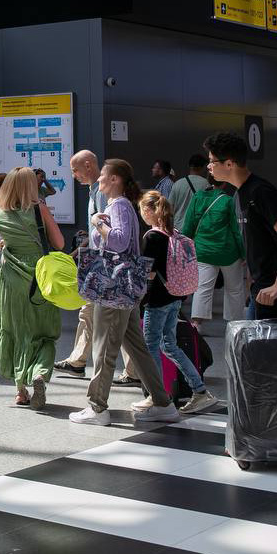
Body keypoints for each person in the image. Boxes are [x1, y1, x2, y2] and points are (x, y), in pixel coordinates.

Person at [69, 159, 181, 425]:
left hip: (112, 287)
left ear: (115, 179)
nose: (99, 179)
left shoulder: (118, 205)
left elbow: (118, 242)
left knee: (104, 347)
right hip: (124, 287)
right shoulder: (124, 205)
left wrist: (97, 223)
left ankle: (97, 408)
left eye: (103, 175)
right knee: (137, 347)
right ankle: (163, 403)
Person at [0, 168, 63, 409]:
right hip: (40, 280)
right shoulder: (40, 209)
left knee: (15, 332)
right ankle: (40, 373)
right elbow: (60, 243)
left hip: (11, 282)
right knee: (44, 333)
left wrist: (0, 244)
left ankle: (21, 392)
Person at [53, 150, 138, 383]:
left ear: (89, 165)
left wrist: (95, 232)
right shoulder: (95, 192)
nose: (74, 175)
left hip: (105, 267)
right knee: (94, 315)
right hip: (102, 265)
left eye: (75, 170)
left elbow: (111, 234)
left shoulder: (104, 195)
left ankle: (125, 371)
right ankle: (79, 361)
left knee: (110, 320)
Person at [204, 132, 277, 320]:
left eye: (212, 161)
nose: (208, 166)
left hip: (276, 288)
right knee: (256, 337)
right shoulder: (239, 193)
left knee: (273, 338)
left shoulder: (260, 192)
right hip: (262, 285)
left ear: (229, 164)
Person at [136, 191, 219, 414]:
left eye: (142, 209)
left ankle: (156, 396)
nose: (141, 214)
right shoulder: (174, 234)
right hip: (175, 297)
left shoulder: (152, 237)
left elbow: (147, 273)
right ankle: (200, 391)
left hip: (157, 300)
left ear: (149, 211)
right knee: (169, 345)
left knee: (151, 346)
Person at [181, 179, 246, 330]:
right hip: (228, 252)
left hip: (203, 251)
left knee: (202, 288)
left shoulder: (197, 198)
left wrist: (185, 249)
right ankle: (234, 325)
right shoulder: (228, 200)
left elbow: (188, 225)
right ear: (224, 184)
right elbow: (235, 230)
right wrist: (243, 253)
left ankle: (197, 325)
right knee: (234, 289)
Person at [166, 154, 209, 224]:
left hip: (178, 226)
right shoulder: (206, 184)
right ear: (204, 167)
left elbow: (169, 208)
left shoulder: (177, 184)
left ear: (189, 166)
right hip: (196, 227)